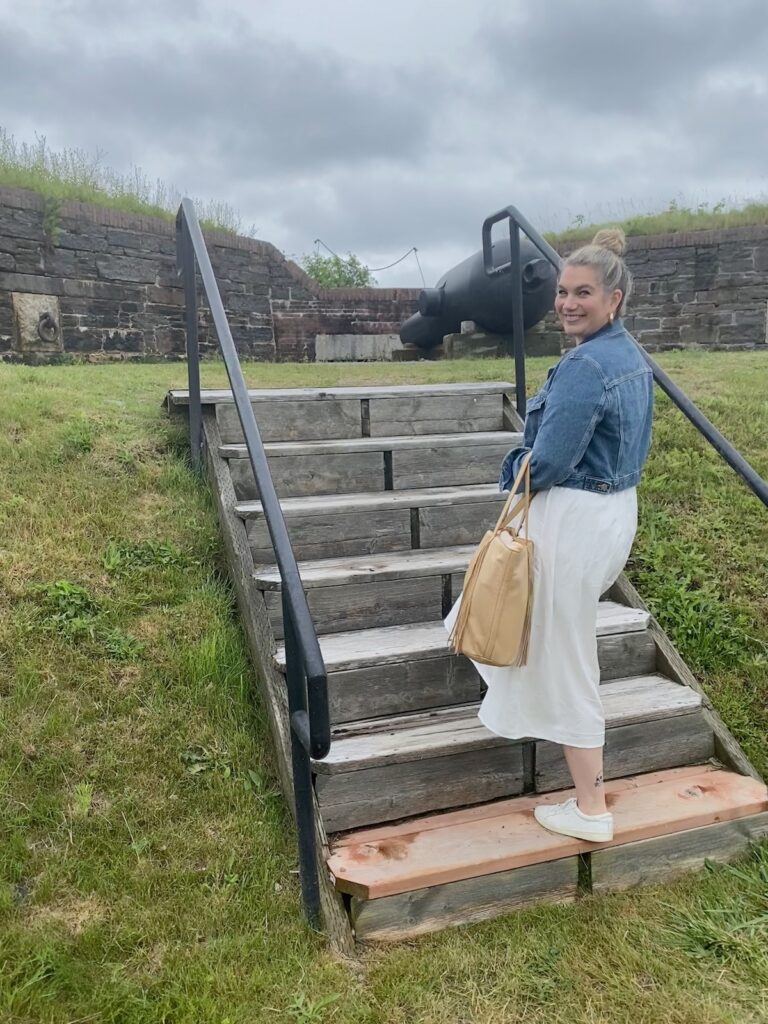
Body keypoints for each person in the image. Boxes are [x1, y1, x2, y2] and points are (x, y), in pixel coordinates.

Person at [445, 227, 654, 843]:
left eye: (582, 293)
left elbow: (550, 460)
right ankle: (568, 772)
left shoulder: (589, 364)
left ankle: (590, 809)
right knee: (552, 643)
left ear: (614, 298)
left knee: (564, 661)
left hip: (574, 517)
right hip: (610, 511)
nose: (566, 303)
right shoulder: (627, 356)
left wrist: (509, 468)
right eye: (562, 292)